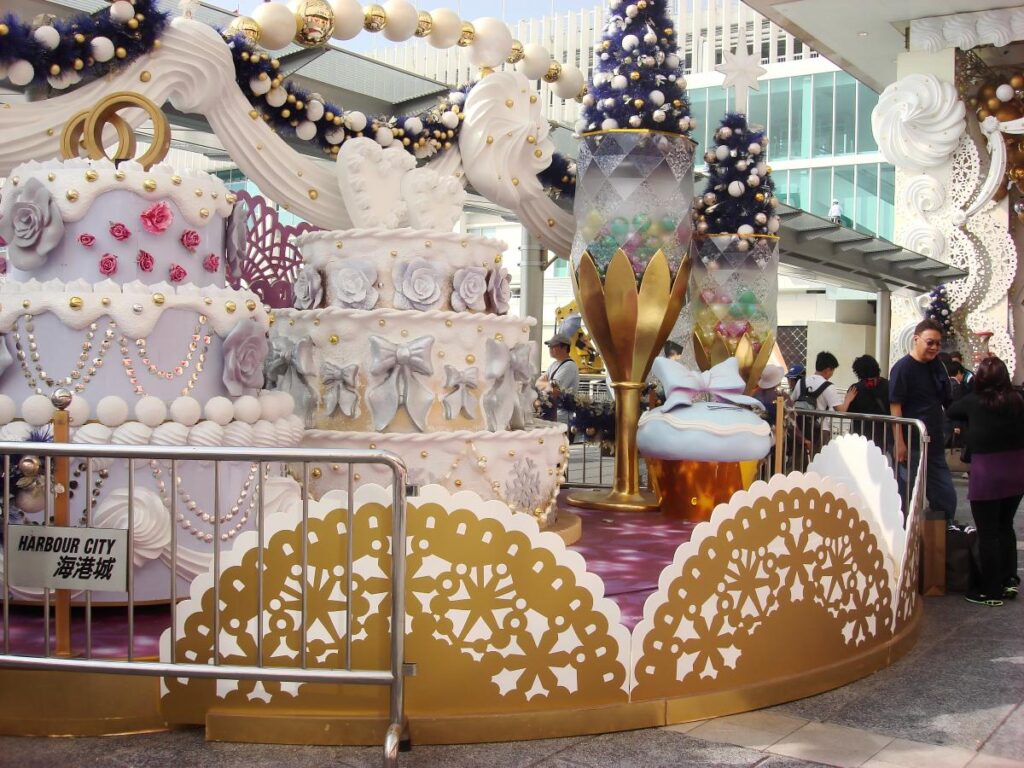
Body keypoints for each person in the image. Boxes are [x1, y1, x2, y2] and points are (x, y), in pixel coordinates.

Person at [947, 356, 1024, 606]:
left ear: (979, 379)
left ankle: (991, 590)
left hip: (987, 473)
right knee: (1006, 526)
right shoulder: (1017, 400)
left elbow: (952, 410)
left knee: (988, 532)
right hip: (1016, 470)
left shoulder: (973, 401)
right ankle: (1009, 579)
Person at [889, 318, 957, 524]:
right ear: (916, 339)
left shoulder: (937, 365)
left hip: (934, 442)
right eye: (930, 342)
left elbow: (945, 398)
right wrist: (899, 442)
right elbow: (895, 406)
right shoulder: (902, 368)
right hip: (911, 443)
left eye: (938, 343)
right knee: (906, 495)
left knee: (945, 496)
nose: (934, 347)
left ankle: (942, 534)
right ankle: (903, 533)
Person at [791, 351, 845, 449]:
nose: (832, 374)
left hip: (799, 428)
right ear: (828, 370)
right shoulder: (828, 386)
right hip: (820, 429)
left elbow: (791, 402)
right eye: (832, 371)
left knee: (799, 457)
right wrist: (849, 398)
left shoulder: (800, 382)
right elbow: (841, 410)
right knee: (818, 456)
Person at [841, 354, 890, 450]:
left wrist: (847, 400)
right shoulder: (888, 385)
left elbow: (847, 413)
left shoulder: (854, 389)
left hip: (859, 437)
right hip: (882, 436)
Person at [536, 332, 579, 423]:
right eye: (549, 346)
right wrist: (547, 385)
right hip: (551, 412)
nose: (550, 349)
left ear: (565, 347)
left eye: (554, 346)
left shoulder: (569, 366)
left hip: (562, 415)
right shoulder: (554, 365)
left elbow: (554, 389)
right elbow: (537, 383)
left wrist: (545, 384)